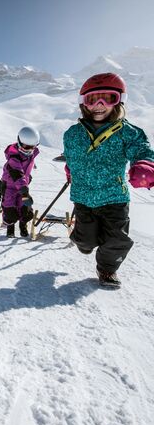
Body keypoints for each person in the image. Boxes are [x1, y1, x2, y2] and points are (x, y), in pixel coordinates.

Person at [63, 72, 154, 288]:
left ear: (119, 101)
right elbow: (71, 157)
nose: (100, 105)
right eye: (92, 100)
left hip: (114, 195)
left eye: (108, 98)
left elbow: (142, 150)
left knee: (117, 240)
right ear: (83, 104)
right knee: (85, 241)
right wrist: (70, 171)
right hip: (83, 196)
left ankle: (106, 270)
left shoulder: (128, 132)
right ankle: (83, 240)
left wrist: (145, 164)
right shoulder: (72, 134)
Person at [0, 126, 40, 238]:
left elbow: (25, 171)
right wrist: (25, 192)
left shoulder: (31, 154)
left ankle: (23, 225)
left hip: (22, 187)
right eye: (26, 147)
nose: (29, 150)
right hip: (10, 188)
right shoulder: (14, 157)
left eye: (32, 147)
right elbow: (17, 174)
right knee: (10, 213)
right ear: (19, 142)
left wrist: (28, 178)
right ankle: (10, 227)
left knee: (26, 212)